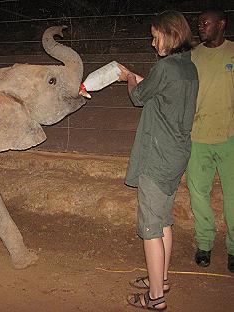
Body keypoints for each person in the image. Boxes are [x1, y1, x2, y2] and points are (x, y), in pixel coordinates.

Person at [117, 10, 198, 310]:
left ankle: (155, 298)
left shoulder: (166, 68)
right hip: (177, 153)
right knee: (163, 219)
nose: (153, 43)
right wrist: (137, 79)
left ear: (170, 35)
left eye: (155, 37)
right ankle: (159, 280)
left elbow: (139, 96)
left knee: (150, 228)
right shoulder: (187, 67)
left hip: (158, 156)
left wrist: (127, 79)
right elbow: (157, 90)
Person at [186, 8, 234, 273]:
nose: (201, 26)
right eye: (198, 23)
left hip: (230, 138)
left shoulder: (233, 53)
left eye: (206, 22)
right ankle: (204, 244)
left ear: (222, 24)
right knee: (199, 196)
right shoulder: (193, 56)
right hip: (198, 137)